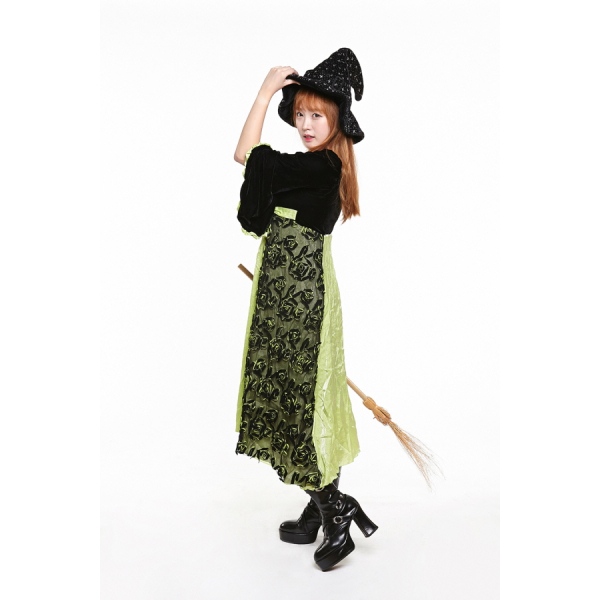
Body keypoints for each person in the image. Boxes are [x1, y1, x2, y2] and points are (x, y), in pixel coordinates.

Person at [233, 48, 377, 571]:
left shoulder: (322, 166)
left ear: (337, 119)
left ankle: (335, 509)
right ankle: (320, 506)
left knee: (299, 399)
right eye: (299, 114)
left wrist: (264, 92)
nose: (306, 125)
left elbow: (246, 155)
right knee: (296, 393)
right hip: (284, 290)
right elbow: (258, 167)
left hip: (301, 297)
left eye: (317, 114)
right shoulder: (313, 166)